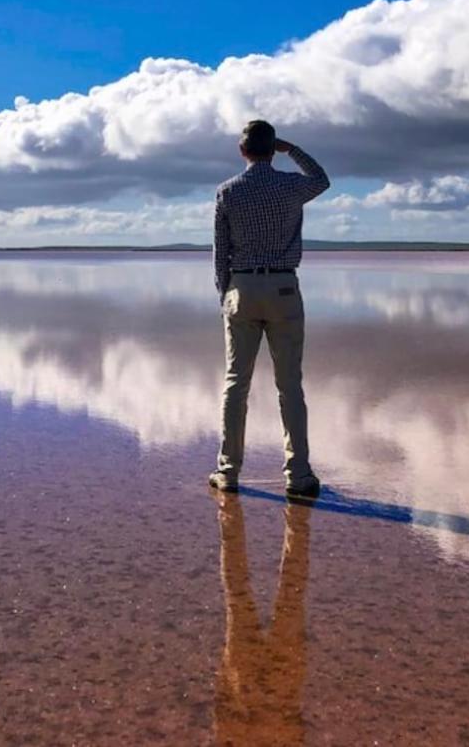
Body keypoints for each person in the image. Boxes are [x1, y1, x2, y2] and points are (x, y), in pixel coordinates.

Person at [209, 119, 329, 497]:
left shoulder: (228, 191)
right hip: (282, 286)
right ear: (271, 147)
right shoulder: (291, 186)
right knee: (289, 385)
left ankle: (228, 472)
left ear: (242, 151)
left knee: (235, 384)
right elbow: (321, 178)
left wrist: (224, 294)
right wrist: (291, 149)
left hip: (241, 287)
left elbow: (220, 252)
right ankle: (299, 475)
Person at [213, 495, 311, 746]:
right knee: (287, 598)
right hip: (274, 713)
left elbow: (223, 724)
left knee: (240, 597)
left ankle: (228, 471)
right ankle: (298, 476)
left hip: (255, 708)